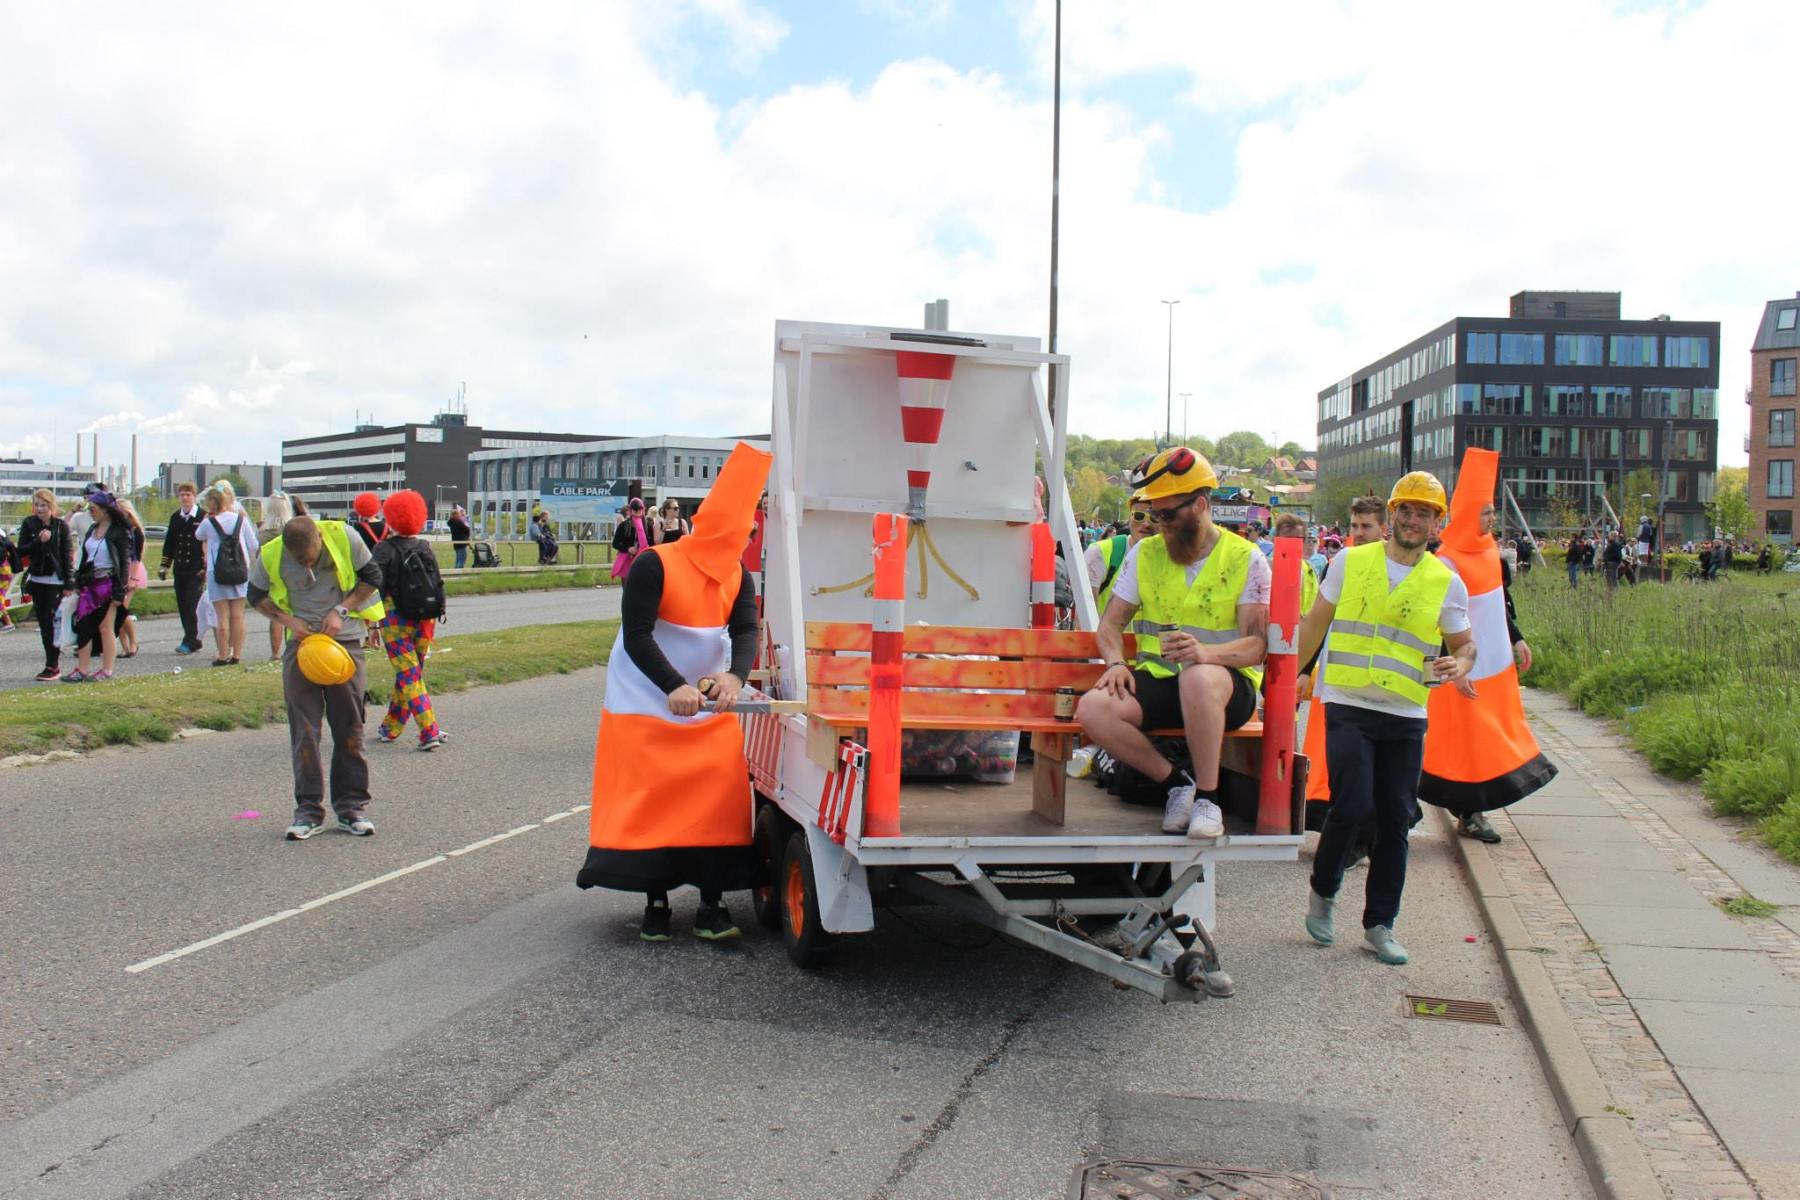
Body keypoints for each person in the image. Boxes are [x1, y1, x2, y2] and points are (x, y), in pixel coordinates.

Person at [579, 443, 770, 941]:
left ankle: (711, 903)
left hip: (706, 698)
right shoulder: (655, 564)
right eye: (738, 534)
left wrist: (735, 676)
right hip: (646, 694)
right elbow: (638, 634)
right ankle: (656, 901)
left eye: (747, 535)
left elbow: (745, 628)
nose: (742, 544)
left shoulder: (737, 574)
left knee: (717, 795)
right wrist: (673, 685)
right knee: (653, 794)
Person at [1296, 471, 1475, 965]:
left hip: (1406, 711)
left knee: (1397, 818)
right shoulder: (1349, 561)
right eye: (1406, 511)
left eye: (1424, 514)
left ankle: (1380, 924)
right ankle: (1324, 891)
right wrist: (1289, 680)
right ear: (1392, 515)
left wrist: (1459, 665)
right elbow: (1315, 624)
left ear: (1437, 524)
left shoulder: (1446, 582)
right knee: (1352, 803)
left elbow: (1465, 645)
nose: (1413, 521)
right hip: (1349, 702)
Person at [1076, 447, 1269, 839]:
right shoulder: (1145, 554)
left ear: (1200, 505)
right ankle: (1177, 786)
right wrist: (1115, 663)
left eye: (1167, 514)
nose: (1158, 524)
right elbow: (1109, 627)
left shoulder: (1246, 558)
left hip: (1226, 689)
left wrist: (1205, 654)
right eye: (1153, 514)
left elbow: (1257, 646)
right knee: (1093, 708)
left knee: (1198, 677)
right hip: (1162, 680)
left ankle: (1209, 800)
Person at [1419, 449, 1558, 843]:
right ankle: (1469, 812)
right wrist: (1454, 668)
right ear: (1466, 514)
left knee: (1488, 740)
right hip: (1465, 669)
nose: (1492, 518)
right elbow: (1437, 623)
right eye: (1485, 512)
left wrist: (1517, 638)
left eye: (1492, 511)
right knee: (1465, 743)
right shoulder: (1446, 561)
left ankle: (1468, 810)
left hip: (1494, 670)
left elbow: (1498, 604)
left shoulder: (1489, 551)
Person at [248, 516, 385, 840]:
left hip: (344, 643)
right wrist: (286, 620)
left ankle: (351, 809)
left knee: (349, 727)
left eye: (311, 558)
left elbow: (373, 577)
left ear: (320, 540)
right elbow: (255, 595)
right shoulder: (272, 554)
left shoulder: (345, 537)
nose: (307, 566)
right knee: (304, 731)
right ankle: (308, 811)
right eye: (300, 562)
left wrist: (342, 610)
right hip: (302, 647)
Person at [370, 490, 446, 751]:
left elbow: (376, 588)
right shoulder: (425, 547)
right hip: (425, 618)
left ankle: (429, 731)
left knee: (409, 675)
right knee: (411, 674)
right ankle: (391, 727)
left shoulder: (383, 549)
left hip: (395, 618)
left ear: (391, 517)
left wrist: (372, 624)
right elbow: (437, 582)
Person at [64, 490, 137, 682]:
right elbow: (85, 557)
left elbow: (124, 562)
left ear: (105, 510)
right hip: (89, 584)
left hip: (108, 584)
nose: (91, 511)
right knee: (84, 626)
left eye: (94, 508)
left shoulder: (119, 532)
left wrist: (120, 592)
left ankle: (107, 670)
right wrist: (78, 580)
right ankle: (82, 669)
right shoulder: (92, 530)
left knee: (106, 627)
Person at [194, 483, 259, 666]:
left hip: (217, 572)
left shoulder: (209, 522)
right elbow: (253, 544)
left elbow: (198, 536)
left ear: (211, 503)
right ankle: (236, 654)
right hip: (240, 569)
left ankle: (223, 655)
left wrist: (208, 519)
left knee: (222, 616)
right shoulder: (240, 520)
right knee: (238, 615)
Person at [17, 490, 73, 681]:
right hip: (38, 579)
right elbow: (21, 550)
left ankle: (52, 665)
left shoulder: (61, 526)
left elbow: (67, 556)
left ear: (51, 506)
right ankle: (52, 661)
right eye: (37, 505)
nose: (40, 509)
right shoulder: (29, 523)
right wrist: (38, 541)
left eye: (44, 505)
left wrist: (69, 583)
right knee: (44, 623)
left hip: (56, 581)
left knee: (52, 623)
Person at [159, 481, 209, 655]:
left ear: (194, 497)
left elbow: (207, 543)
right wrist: (164, 566)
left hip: (196, 568)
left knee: (192, 603)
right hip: (180, 568)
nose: (185, 498)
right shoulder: (175, 517)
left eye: (188, 495)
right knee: (182, 604)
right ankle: (194, 638)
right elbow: (169, 543)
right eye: (182, 495)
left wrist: (205, 567)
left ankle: (190, 639)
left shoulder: (202, 516)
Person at [1084, 490, 1152, 613]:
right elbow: (1084, 616)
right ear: (1129, 518)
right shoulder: (1099, 552)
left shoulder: (1175, 559)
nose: (1146, 524)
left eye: (1154, 518)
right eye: (1139, 516)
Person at [259, 493, 295, 660]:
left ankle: (275, 653)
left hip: (272, 575)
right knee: (293, 612)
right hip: (291, 574)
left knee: (275, 615)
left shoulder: (264, 533)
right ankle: (292, 648)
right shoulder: (292, 530)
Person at [112, 499, 148, 657]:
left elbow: (136, 557)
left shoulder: (135, 531)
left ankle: (133, 641)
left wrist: (132, 578)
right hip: (117, 570)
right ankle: (125, 646)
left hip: (131, 570)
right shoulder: (115, 529)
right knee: (114, 611)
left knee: (121, 610)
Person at [610, 497, 653, 577]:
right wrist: (628, 549)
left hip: (643, 560)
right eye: (635, 508)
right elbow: (615, 543)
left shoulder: (648, 525)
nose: (637, 511)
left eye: (640, 508)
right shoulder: (624, 525)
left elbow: (652, 543)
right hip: (627, 561)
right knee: (627, 584)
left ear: (643, 509)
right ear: (630, 510)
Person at [448, 504, 472, 570]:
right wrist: (468, 535)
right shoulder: (458, 522)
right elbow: (466, 529)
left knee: (458, 557)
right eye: (458, 514)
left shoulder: (451, 522)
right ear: (455, 515)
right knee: (463, 557)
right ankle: (459, 570)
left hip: (455, 541)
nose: (459, 515)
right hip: (462, 541)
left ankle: (456, 569)